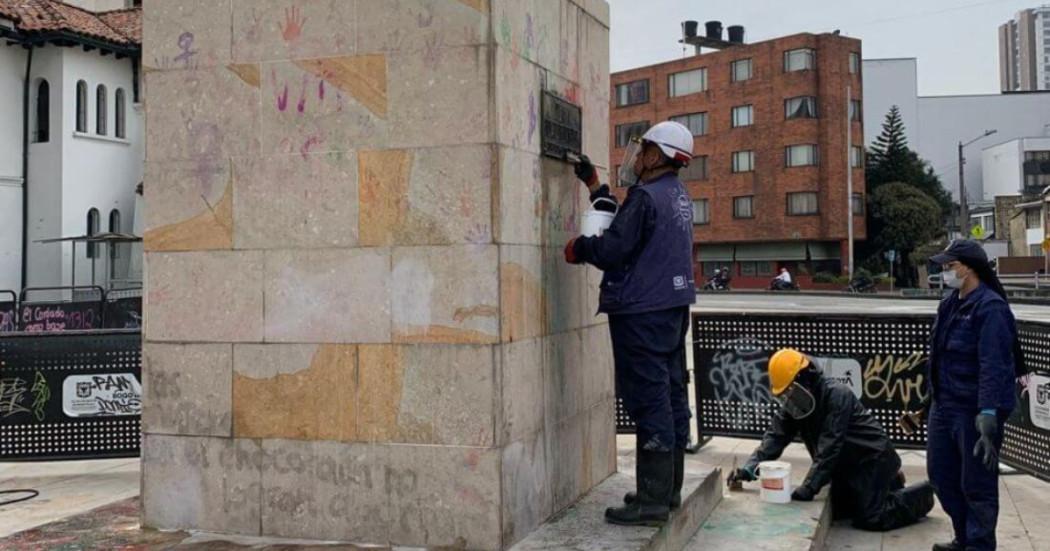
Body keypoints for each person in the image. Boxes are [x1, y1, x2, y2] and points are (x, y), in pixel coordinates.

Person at [564, 121, 697, 527]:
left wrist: (581, 248)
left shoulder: (645, 197)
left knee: (648, 400)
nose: (637, 158)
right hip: (671, 308)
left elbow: (615, 247)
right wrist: (595, 186)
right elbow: (629, 226)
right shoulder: (676, 195)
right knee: (671, 396)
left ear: (657, 156)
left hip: (641, 311)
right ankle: (665, 490)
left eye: (642, 151)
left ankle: (651, 503)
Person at [727, 348, 936, 531]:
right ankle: (890, 486)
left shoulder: (837, 395)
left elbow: (830, 446)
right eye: (784, 394)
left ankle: (924, 494)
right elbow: (775, 437)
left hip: (872, 460)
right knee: (840, 511)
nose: (788, 398)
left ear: (805, 378)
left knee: (871, 518)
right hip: (846, 466)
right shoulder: (796, 404)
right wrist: (750, 468)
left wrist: (809, 487)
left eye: (791, 390)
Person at [913, 240, 1022, 551]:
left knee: (977, 484)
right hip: (944, 405)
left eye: (951, 265)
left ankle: (979, 544)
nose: (946, 271)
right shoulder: (949, 305)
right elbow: (939, 356)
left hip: (974, 409)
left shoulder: (991, 308)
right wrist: (929, 401)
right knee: (941, 476)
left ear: (970, 267)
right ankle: (963, 537)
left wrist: (988, 412)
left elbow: (994, 363)